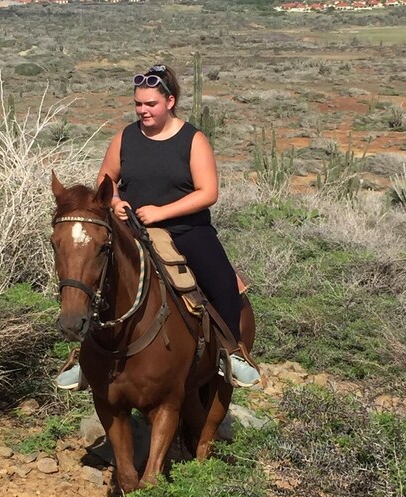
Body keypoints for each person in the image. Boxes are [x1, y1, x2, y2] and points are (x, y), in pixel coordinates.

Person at [56, 64, 260, 390]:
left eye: (150, 104)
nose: (143, 110)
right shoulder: (125, 137)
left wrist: (162, 212)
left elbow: (208, 193)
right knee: (98, 281)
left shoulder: (193, 140)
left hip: (186, 230)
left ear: (170, 101)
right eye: (138, 104)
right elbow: (105, 179)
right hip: (131, 227)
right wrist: (115, 201)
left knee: (221, 281)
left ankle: (232, 352)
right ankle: (85, 358)